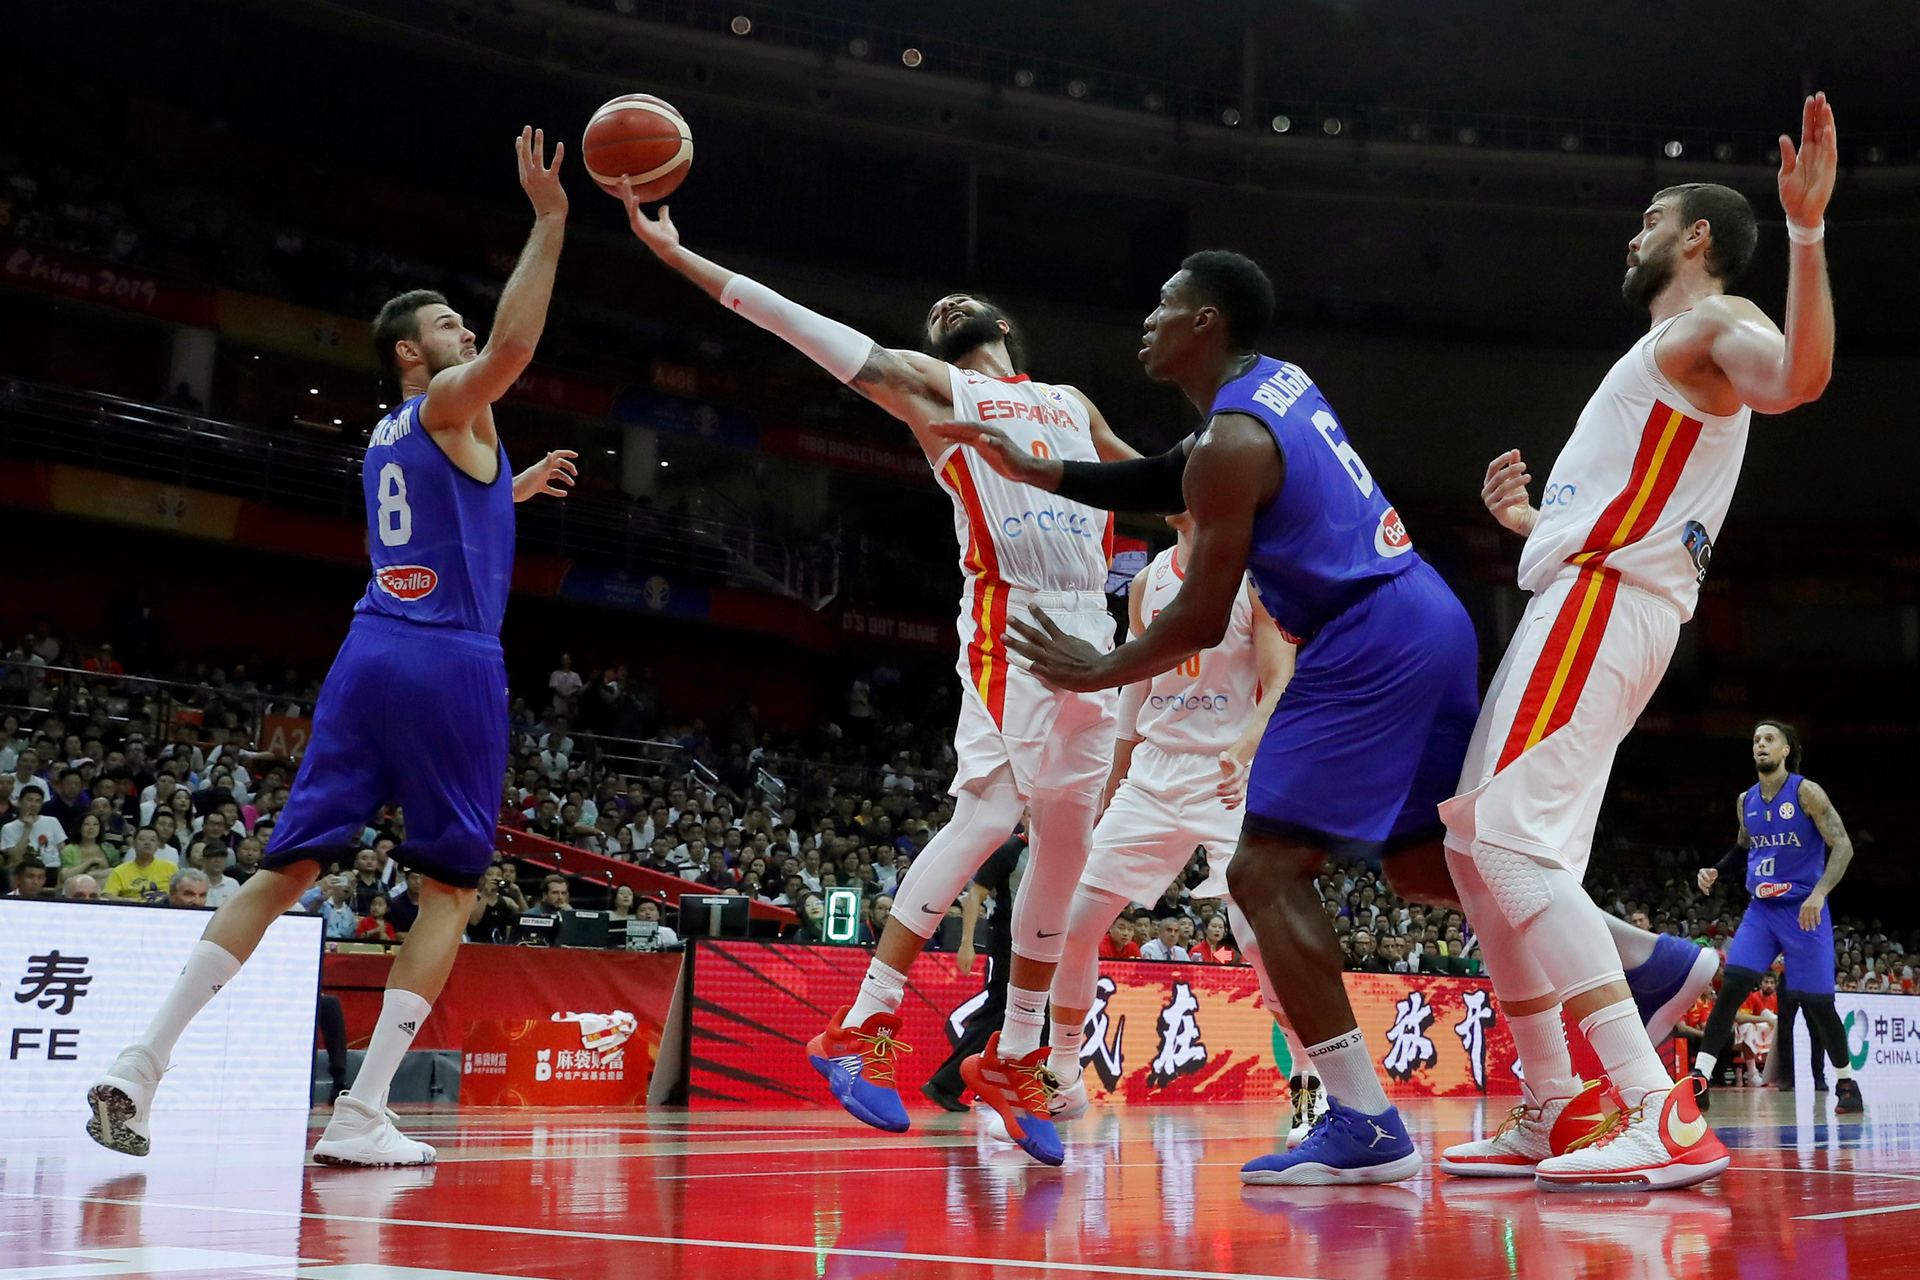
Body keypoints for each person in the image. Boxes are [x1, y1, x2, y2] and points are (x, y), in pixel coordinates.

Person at [618, 181, 1141, 1167]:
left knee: (1063, 850)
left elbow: (1154, 480)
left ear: (1007, 330)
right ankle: (863, 1025)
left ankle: (1014, 1055)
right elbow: (823, 338)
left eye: (959, 307)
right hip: (1016, 626)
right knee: (987, 819)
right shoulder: (939, 394)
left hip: (1096, 637)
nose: (942, 309)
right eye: (932, 316)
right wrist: (684, 259)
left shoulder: (1071, 403)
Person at [85, 128, 578, 1167]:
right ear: (412, 352)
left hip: (368, 651)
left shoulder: (388, 436)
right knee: (451, 888)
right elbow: (517, 352)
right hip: (447, 659)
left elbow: (441, 526)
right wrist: (550, 220)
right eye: (448, 323)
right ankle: (360, 1112)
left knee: (286, 863)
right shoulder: (453, 401)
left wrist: (511, 490)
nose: (467, 329)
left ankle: (140, 1060)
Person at [934, 248, 1479, 1186]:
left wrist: (1098, 667)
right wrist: (1045, 469)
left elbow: (1196, 608)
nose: (1147, 318)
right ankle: (1628, 968)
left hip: (1366, 639)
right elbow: (1158, 474)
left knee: (1263, 872)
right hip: (1420, 617)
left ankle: (1364, 1120)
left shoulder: (1234, 443)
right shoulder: (1271, 390)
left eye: (1165, 303)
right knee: (1432, 867)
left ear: (1206, 324)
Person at [1437, 97, 1838, 1190]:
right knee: (1480, 853)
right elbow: (1634, 503)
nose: (1634, 232)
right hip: (1592, 594)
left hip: (1603, 609)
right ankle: (1555, 1101)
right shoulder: (1656, 360)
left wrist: (1806, 232)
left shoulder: (1711, 325)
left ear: (1695, 238)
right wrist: (1535, 527)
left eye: (1652, 216)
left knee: (1510, 847)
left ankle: (1657, 1106)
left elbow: (1799, 378)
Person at [1013, 511, 1329, 1147]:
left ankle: (1310, 1080)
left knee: (1258, 932)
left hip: (1231, 773)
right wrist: (1108, 788)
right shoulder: (1147, 583)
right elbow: (1135, 687)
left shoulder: (1255, 578)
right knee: (1073, 920)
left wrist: (1246, 744)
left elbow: (1280, 681)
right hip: (1154, 773)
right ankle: (1064, 1072)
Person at [1689, 722, 1863, 1113]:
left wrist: (1819, 893)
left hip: (1803, 909)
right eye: (1755, 740)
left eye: (1769, 739)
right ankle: (1700, 1078)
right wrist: (1717, 869)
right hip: (1763, 909)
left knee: (1818, 1003)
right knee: (1732, 984)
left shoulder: (1806, 792)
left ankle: (1846, 1084)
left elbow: (1844, 847)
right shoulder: (1745, 800)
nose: (1761, 745)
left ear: (1785, 750)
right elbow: (1743, 849)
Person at [924, 830, 1027, 1112]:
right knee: (1003, 1009)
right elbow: (975, 895)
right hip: (1007, 939)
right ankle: (946, 1083)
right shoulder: (1009, 850)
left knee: (1016, 1012)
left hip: (1034, 942)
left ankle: (947, 1084)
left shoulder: (1051, 851)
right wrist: (967, 942)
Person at [101, 827, 178, 903]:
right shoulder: (119, 871)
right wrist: (131, 901)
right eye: (142, 839)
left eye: (152, 840)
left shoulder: (170, 868)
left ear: (157, 845)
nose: (147, 843)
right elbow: (107, 896)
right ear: (133, 844)